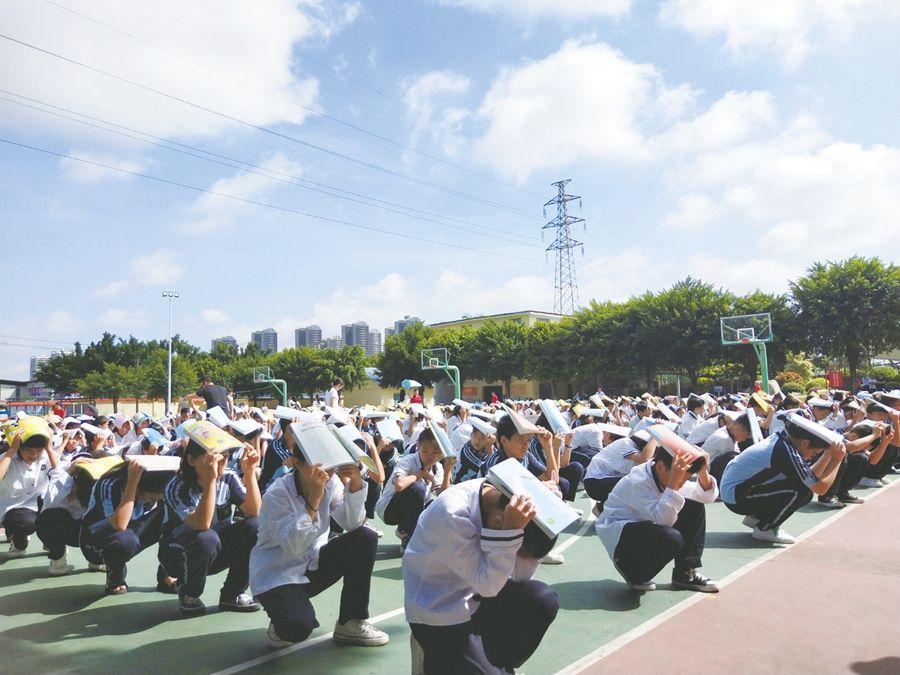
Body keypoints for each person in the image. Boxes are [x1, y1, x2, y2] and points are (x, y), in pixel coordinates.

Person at [403, 478, 559, 674]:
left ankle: (500, 664)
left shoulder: (506, 503)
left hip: (479, 593)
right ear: (498, 522)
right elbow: (488, 586)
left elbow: (520, 575)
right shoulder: (452, 513)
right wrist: (510, 534)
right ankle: (428, 657)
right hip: (441, 611)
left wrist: (545, 508)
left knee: (543, 599)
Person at [250, 446, 389, 647]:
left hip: (312, 564)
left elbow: (352, 524)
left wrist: (356, 483)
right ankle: (282, 619)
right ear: (297, 463)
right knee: (296, 628)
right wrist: (314, 499)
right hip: (277, 575)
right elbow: (294, 546)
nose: (326, 470)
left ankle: (351, 621)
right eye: (317, 463)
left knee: (364, 538)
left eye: (330, 462)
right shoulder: (277, 495)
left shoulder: (331, 483)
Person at [159, 424, 262, 614]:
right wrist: (211, 482)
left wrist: (249, 472)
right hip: (178, 554)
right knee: (207, 537)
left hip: (215, 550)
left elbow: (255, 511)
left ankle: (233, 594)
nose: (220, 465)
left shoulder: (228, 478)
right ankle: (190, 593)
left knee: (255, 527)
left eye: (224, 460)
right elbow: (201, 524)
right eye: (212, 460)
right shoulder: (177, 486)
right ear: (191, 459)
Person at [596, 444, 719, 593]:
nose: (681, 484)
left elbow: (705, 497)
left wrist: (702, 471)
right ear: (661, 466)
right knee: (671, 538)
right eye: (680, 479)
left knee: (695, 509)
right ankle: (634, 572)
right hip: (623, 535)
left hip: (646, 524)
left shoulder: (666, 474)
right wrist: (673, 484)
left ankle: (685, 574)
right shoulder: (639, 481)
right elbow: (664, 521)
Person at [720, 414, 846, 545]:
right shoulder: (786, 451)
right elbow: (820, 489)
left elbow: (810, 477)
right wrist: (836, 460)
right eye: (814, 452)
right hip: (736, 497)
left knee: (804, 486)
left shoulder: (783, 440)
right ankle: (765, 528)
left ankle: (757, 518)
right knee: (802, 492)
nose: (812, 456)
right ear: (804, 443)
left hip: (737, 491)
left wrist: (827, 454)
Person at [80, 460, 173, 594]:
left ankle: (166, 575)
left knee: (175, 517)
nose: (153, 502)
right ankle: (115, 575)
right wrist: (133, 482)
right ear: (142, 487)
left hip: (131, 529)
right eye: (152, 498)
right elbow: (119, 524)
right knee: (125, 541)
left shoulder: (156, 489)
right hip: (97, 541)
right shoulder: (110, 484)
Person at [375, 427, 450, 553]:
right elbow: (399, 485)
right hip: (388, 510)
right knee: (417, 488)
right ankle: (409, 536)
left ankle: (404, 529)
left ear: (442, 454)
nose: (430, 456)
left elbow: (443, 496)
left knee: (437, 505)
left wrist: (448, 471)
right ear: (418, 447)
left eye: (435, 453)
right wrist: (419, 475)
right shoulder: (409, 460)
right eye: (425, 451)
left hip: (412, 510)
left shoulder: (438, 468)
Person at [0, 419, 59, 559]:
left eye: (39, 450)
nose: (34, 455)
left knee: (58, 517)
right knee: (25, 524)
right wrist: (11, 451)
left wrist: (49, 449)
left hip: (41, 502)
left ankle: (52, 543)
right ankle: (19, 541)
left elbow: (59, 475)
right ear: (19, 447)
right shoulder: (8, 458)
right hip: (16, 508)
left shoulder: (46, 456)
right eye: (29, 450)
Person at [584, 430, 655, 511]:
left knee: (639, 481)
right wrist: (655, 436)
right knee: (633, 483)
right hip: (594, 483)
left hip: (604, 480)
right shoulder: (626, 444)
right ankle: (602, 508)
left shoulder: (632, 447)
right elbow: (645, 459)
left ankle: (603, 507)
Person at [701, 413, 753, 485]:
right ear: (738, 429)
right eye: (745, 436)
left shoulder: (726, 431)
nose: (744, 439)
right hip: (705, 475)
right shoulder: (725, 439)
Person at [453, 418, 495, 483]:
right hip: (459, 485)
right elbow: (484, 471)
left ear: (488, 440)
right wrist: (490, 452)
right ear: (471, 434)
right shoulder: (467, 449)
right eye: (475, 436)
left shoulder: (491, 450)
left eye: (482, 438)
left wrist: (490, 451)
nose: (477, 441)